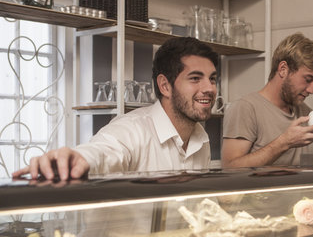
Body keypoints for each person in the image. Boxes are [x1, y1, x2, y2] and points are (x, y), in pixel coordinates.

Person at [12, 37, 219, 181]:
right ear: (165, 85)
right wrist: (77, 158)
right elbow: (102, 152)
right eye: (195, 78)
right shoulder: (130, 131)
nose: (209, 88)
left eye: (212, 79)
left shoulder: (200, 137)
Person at [221, 32, 313, 168]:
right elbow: (230, 168)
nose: (311, 90)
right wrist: (285, 142)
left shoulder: (301, 109)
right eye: (308, 80)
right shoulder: (246, 108)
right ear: (283, 69)